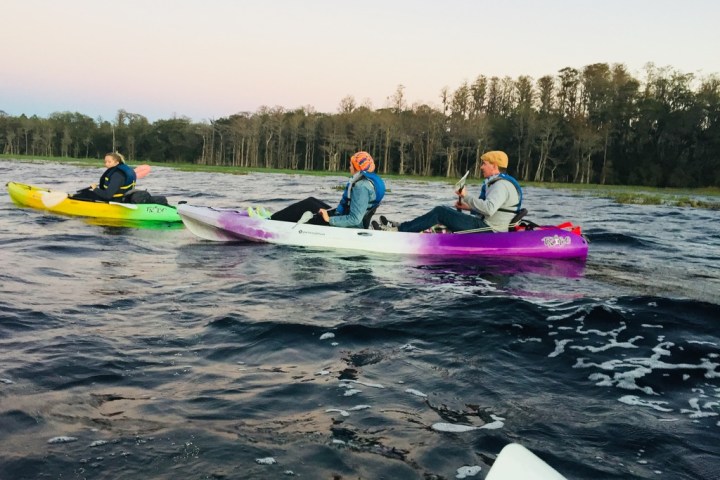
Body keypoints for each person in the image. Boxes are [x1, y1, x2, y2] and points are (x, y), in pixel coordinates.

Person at [380, 150, 522, 233]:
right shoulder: (500, 183)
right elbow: (493, 209)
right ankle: (404, 226)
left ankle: (401, 230)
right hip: (487, 226)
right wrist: (467, 207)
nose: (481, 167)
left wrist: (466, 196)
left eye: (484, 164)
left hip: (489, 230)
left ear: (495, 166)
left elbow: (489, 209)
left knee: (440, 211)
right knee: (444, 211)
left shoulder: (501, 185)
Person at [269, 151, 385, 228]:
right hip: (345, 218)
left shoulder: (361, 187)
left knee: (306, 206)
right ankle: (275, 219)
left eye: (351, 165)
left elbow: (355, 219)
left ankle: (271, 222)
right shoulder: (366, 181)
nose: (349, 167)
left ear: (358, 168)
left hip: (350, 226)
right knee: (312, 201)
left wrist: (329, 219)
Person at [71, 152, 137, 202]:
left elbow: (107, 196)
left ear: (116, 163)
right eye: (105, 162)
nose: (106, 164)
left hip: (116, 200)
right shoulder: (120, 171)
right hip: (121, 198)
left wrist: (95, 189)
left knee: (85, 194)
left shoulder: (117, 175)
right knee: (86, 193)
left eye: (109, 162)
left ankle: (70, 201)